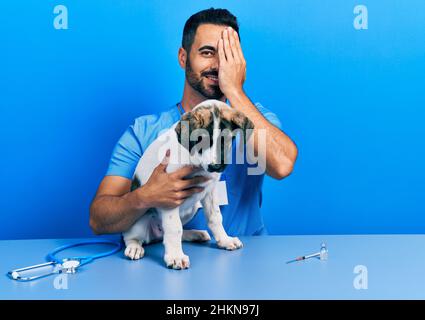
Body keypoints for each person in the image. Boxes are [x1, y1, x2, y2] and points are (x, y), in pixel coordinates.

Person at [89, 8, 298, 237]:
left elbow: (282, 165)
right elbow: (99, 220)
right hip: (173, 261)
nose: (218, 65)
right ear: (183, 57)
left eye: (227, 55)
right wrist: (144, 196)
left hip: (246, 257)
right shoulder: (144, 131)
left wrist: (234, 91)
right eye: (207, 52)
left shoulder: (252, 118)